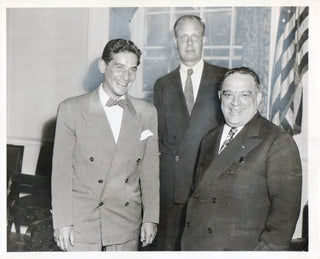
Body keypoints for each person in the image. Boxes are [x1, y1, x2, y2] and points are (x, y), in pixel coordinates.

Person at [51, 39, 159, 251]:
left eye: (132, 70)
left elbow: (150, 170)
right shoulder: (71, 109)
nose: (126, 77)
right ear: (103, 66)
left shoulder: (147, 112)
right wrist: (63, 222)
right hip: (83, 221)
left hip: (126, 222)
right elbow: (61, 173)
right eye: (119, 67)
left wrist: (151, 217)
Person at [181, 67, 302, 251]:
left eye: (244, 95)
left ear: (258, 98)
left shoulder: (278, 141)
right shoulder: (209, 138)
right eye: (228, 94)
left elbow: (283, 221)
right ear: (220, 96)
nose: (235, 103)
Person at [153, 15, 227, 250]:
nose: (189, 43)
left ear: (204, 39)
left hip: (211, 186)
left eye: (195, 36)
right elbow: (161, 141)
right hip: (173, 189)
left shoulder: (223, 78)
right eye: (183, 37)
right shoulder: (162, 84)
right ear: (174, 41)